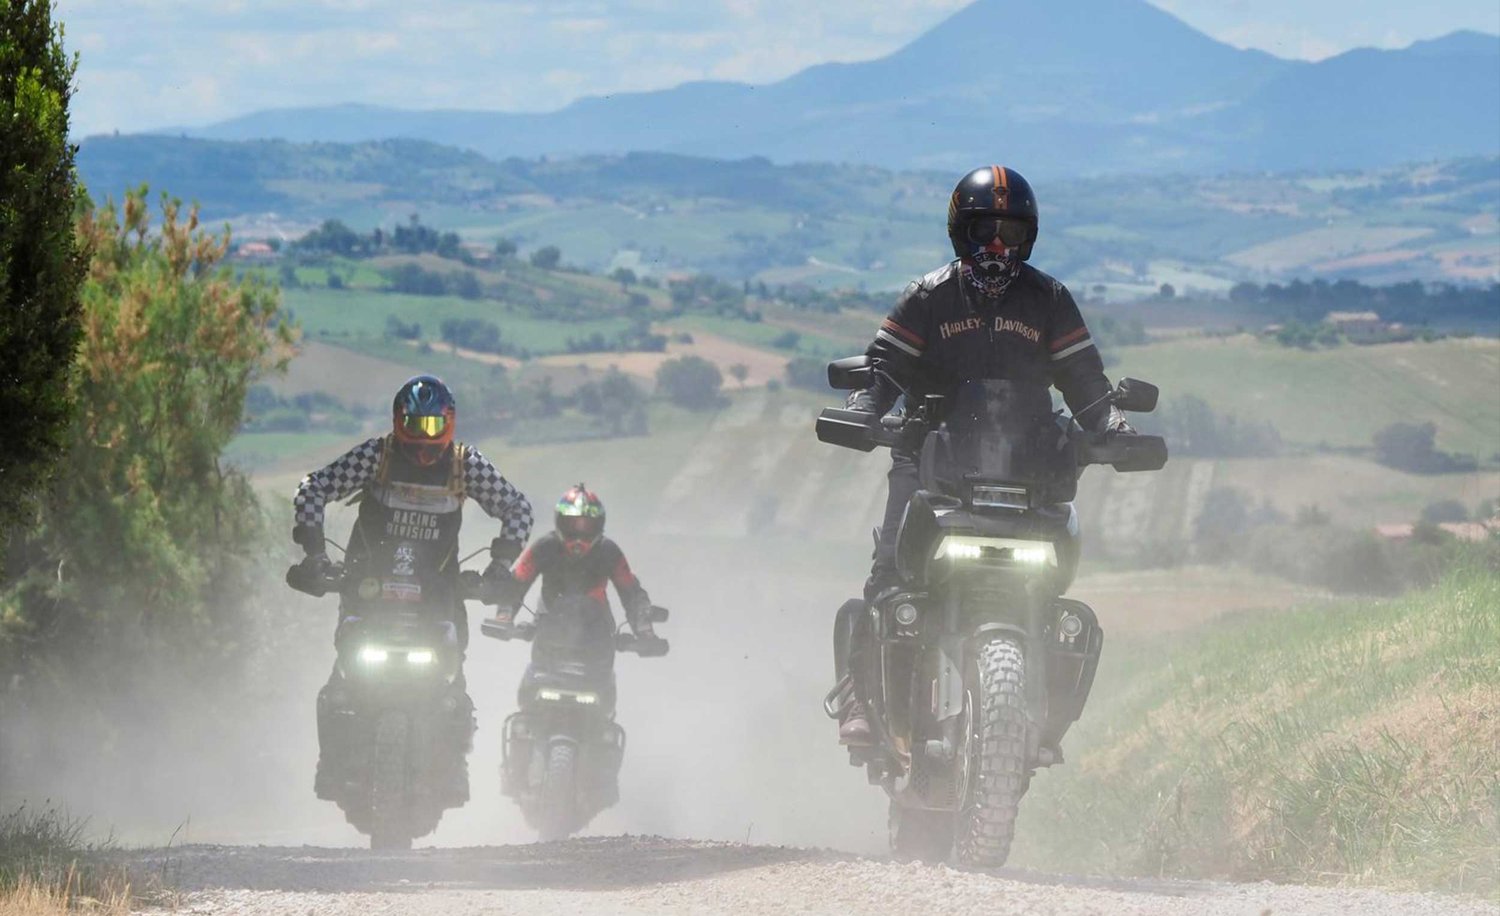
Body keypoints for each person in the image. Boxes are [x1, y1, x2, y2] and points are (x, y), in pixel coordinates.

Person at [837, 165, 1132, 745]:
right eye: (985, 231)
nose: (998, 246)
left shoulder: (1048, 300)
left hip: (1028, 469)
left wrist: (1115, 425)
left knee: (1056, 597)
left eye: (1012, 234)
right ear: (960, 232)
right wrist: (864, 407)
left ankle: (1044, 715)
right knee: (889, 575)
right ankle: (858, 697)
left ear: (1030, 238)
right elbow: (883, 370)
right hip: (929, 460)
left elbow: (1086, 382)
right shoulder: (929, 297)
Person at [287, 374, 533, 798]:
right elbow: (313, 488)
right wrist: (314, 555)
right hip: (366, 590)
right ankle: (332, 762)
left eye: (433, 426)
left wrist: (500, 566)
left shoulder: (464, 464)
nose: (423, 436)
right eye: (414, 425)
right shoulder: (376, 456)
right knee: (339, 684)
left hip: (438, 595)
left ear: (449, 424)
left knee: (454, 684)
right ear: (398, 421)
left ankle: (453, 765)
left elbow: (517, 508)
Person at [490, 483, 664, 655]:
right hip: (548, 631)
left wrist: (644, 631)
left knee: (604, 680)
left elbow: (631, 592)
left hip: (599, 637)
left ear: (598, 526)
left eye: (587, 526)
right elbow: (517, 582)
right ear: (560, 523)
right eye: (572, 525)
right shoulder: (544, 546)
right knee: (531, 680)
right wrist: (504, 616)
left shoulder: (609, 551)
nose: (579, 536)